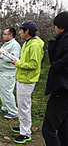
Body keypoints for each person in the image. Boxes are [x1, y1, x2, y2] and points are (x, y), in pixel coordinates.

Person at [11, 20, 44, 144]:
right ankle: (23, 127)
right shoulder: (27, 43)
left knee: (24, 107)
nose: (19, 32)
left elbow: (34, 64)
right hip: (22, 78)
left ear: (27, 31)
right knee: (22, 105)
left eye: (21, 30)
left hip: (27, 80)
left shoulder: (34, 45)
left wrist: (18, 64)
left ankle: (25, 134)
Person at [42, 12, 68, 146]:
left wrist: (57, 65)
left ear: (60, 27)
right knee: (64, 129)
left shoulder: (64, 40)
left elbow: (60, 62)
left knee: (48, 129)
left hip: (62, 89)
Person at [0, 27, 21, 119]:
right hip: (2, 71)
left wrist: (1, 56)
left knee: (7, 91)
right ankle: (5, 107)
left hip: (8, 72)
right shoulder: (6, 44)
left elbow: (13, 58)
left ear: (10, 35)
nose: (3, 36)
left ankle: (13, 111)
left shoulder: (14, 45)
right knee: (2, 90)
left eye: (4, 34)